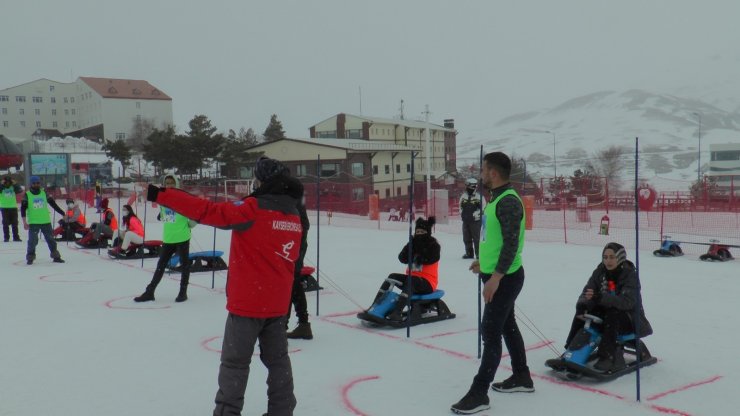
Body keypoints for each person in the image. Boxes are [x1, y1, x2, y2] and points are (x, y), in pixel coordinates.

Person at [145, 157, 301, 416]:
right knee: (278, 362)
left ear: (262, 181)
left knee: (234, 364)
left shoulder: (252, 208)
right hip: (277, 303)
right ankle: (282, 410)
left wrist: (163, 195)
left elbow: (207, 211)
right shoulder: (294, 213)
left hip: (248, 304)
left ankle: (227, 412)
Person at [451, 152, 532, 415]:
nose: (481, 174)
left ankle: (479, 393)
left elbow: (511, 244)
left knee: (491, 331)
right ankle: (522, 377)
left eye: (484, 170)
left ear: (493, 173)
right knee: (507, 327)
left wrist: (495, 277)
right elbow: (492, 238)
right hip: (497, 274)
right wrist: (483, 264)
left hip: (505, 278)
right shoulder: (496, 198)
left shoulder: (507, 201)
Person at [563, 242, 653, 372]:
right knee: (583, 311)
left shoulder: (629, 275)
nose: (608, 261)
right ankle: (572, 349)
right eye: (605, 257)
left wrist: (600, 297)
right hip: (606, 312)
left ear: (620, 258)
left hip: (630, 318)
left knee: (613, 313)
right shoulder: (600, 272)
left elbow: (627, 302)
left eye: (612, 257)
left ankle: (607, 356)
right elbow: (587, 291)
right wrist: (583, 304)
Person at [134, 175, 195, 303]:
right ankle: (150, 292)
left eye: (172, 183)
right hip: (168, 238)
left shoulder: (182, 198)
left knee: (184, 266)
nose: (169, 185)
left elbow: (194, 215)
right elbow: (162, 216)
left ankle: (182, 292)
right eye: (167, 183)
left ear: (176, 184)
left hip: (182, 237)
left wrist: (190, 225)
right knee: (160, 266)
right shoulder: (163, 199)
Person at [368, 216, 440, 320]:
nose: (419, 234)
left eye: (422, 232)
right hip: (411, 279)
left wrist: (419, 253)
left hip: (427, 282)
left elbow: (432, 258)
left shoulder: (433, 245)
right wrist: (410, 247)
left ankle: (397, 312)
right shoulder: (413, 243)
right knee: (392, 276)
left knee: (412, 281)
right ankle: (374, 306)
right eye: (417, 232)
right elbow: (402, 258)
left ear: (427, 232)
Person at [286, 178, 313, 340]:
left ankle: (281, 325)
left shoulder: (288, 195)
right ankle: (303, 324)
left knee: (289, 284)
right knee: (293, 284)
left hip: (292, 245)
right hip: (295, 244)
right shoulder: (293, 193)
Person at [21, 175, 65, 265]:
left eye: (38, 183)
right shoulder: (27, 194)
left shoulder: (44, 193)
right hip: (34, 222)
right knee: (32, 241)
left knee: (51, 239)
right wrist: (24, 222)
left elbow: (53, 204)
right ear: (31, 184)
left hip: (45, 221)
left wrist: (62, 213)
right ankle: (30, 257)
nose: (36, 185)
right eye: (34, 183)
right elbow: (23, 209)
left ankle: (56, 256)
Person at [460, 177, 483, 259]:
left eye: (467, 186)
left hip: (475, 221)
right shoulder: (463, 196)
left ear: (472, 186)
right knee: (466, 238)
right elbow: (460, 206)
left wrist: (475, 215)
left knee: (476, 238)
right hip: (466, 221)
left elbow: (483, 209)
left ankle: (478, 254)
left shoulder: (479, 197)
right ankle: (469, 253)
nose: (466, 187)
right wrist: (462, 214)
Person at [1, 175, 23, 242]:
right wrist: (1, 184)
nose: (7, 183)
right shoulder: (1, 188)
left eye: (9, 182)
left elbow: (20, 190)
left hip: (13, 207)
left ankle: (16, 237)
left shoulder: (13, 187)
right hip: (4, 208)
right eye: (6, 182)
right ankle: (6, 237)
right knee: (5, 223)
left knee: (15, 223)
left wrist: (15, 183)